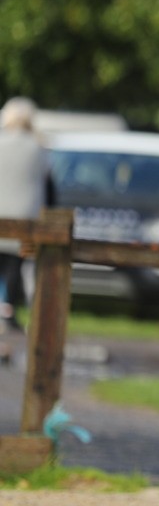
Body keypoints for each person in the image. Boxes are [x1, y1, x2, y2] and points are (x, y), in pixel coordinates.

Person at [0, 97, 52, 331]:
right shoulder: (38, 147)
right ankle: (7, 308)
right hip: (26, 219)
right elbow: (49, 185)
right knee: (14, 266)